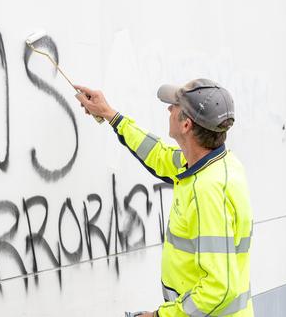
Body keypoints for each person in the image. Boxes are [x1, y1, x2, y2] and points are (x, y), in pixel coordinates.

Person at [75, 78, 253, 317]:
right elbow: (158, 155)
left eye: (174, 107)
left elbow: (219, 289)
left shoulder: (208, 191)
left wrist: (160, 316)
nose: (169, 109)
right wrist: (109, 114)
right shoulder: (214, 163)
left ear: (186, 125)